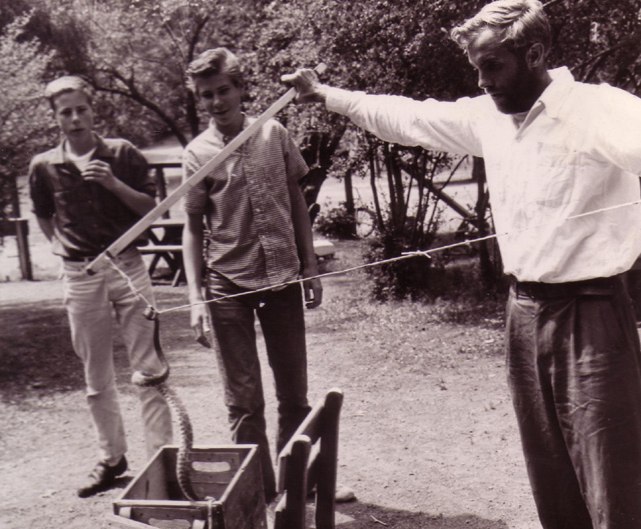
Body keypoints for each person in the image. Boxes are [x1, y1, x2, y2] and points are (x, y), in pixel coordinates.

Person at [283, 1, 641, 528]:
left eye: (492, 65)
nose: (483, 79)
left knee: (612, 477)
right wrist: (327, 95)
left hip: (591, 315)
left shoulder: (598, 108)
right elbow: (410, 117)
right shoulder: (488, 117)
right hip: (522, 312)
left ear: (535, 53)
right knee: (551, 472)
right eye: (477, 67)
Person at [181, 48, 322, 503]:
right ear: (199, 101)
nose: (217, 102)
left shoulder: (273, 133)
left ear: (242, 88)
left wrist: (310, 265)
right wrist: (196, 299)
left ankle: (295, 488)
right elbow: (191, 227)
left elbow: (298, 201)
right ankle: (257, 493)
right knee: (243, 402)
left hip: (281, 278)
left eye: (224, 90)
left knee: (294, 394)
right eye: (206, 96)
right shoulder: (197, 153)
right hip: (227, 287)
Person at [28, 76, 173, 498]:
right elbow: (42, 213)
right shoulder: (44, 165)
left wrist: (112, 182)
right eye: (65, 112)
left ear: (94, 111)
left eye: (81, 109)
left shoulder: (122, 153)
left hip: (127, 267)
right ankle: (112, 458)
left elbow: (153, 210)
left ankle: (160, 462)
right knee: (96, 376)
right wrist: (62, 248)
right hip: (80, 275)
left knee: (148, 371)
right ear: (55, 118)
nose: (75, 119)